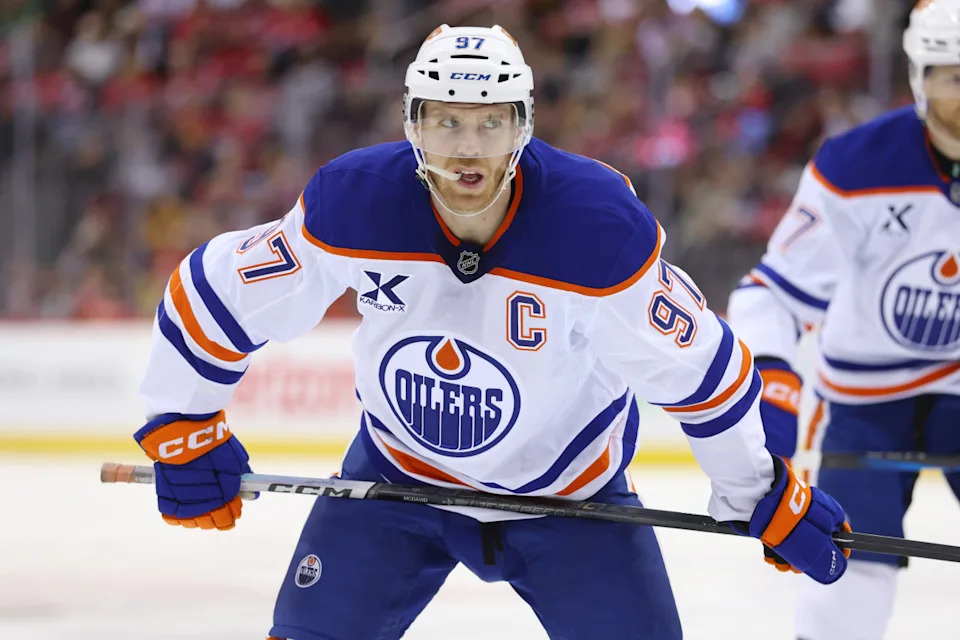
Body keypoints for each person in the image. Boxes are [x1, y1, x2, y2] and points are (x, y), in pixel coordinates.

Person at [132, 24, 850, 640]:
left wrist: (754, 488)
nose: (469, 147)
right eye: (447, 121)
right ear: (412, 122)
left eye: (490, 121)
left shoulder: (595, 228)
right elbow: (215, 291)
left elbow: (701, 370)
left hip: (572, 500)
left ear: (524, 124)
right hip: (396, 482)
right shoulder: (354, 203)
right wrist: (184, 422)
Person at [726, 2, 960, 638]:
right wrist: (771, 391)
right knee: (850, 581)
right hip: (866, 398)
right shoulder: (857, 167)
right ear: (919, 74)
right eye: (954, 76)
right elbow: (770, 294)